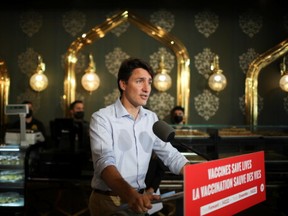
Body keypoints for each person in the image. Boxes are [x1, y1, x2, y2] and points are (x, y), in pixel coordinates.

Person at [88, 57, 189, 216]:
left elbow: (171, 155)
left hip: (140, 201)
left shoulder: (151, 119)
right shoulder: (102, 118)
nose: (146, 88)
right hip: (110, 202)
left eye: (149, 82)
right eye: (140, 81)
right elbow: (104, 163)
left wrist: (199, 176)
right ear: (123, 84)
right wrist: (130, 194)